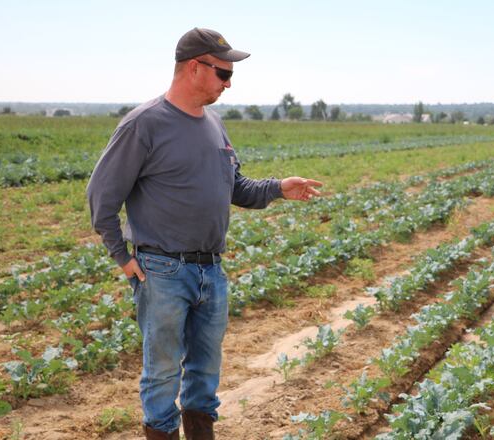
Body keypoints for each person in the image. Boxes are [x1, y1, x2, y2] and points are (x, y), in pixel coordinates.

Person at [86, 27, 322, 440]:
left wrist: (278, 189)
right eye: (223, 74)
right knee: (161, 372)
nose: (229, 84)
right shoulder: (144, 124)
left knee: (205, 371)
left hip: (211, 270)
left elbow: (235, 187)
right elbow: (101, 197)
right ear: (194, 68)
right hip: (161, 269)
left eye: (231, 76)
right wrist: (123, 258)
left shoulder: (214, 124)